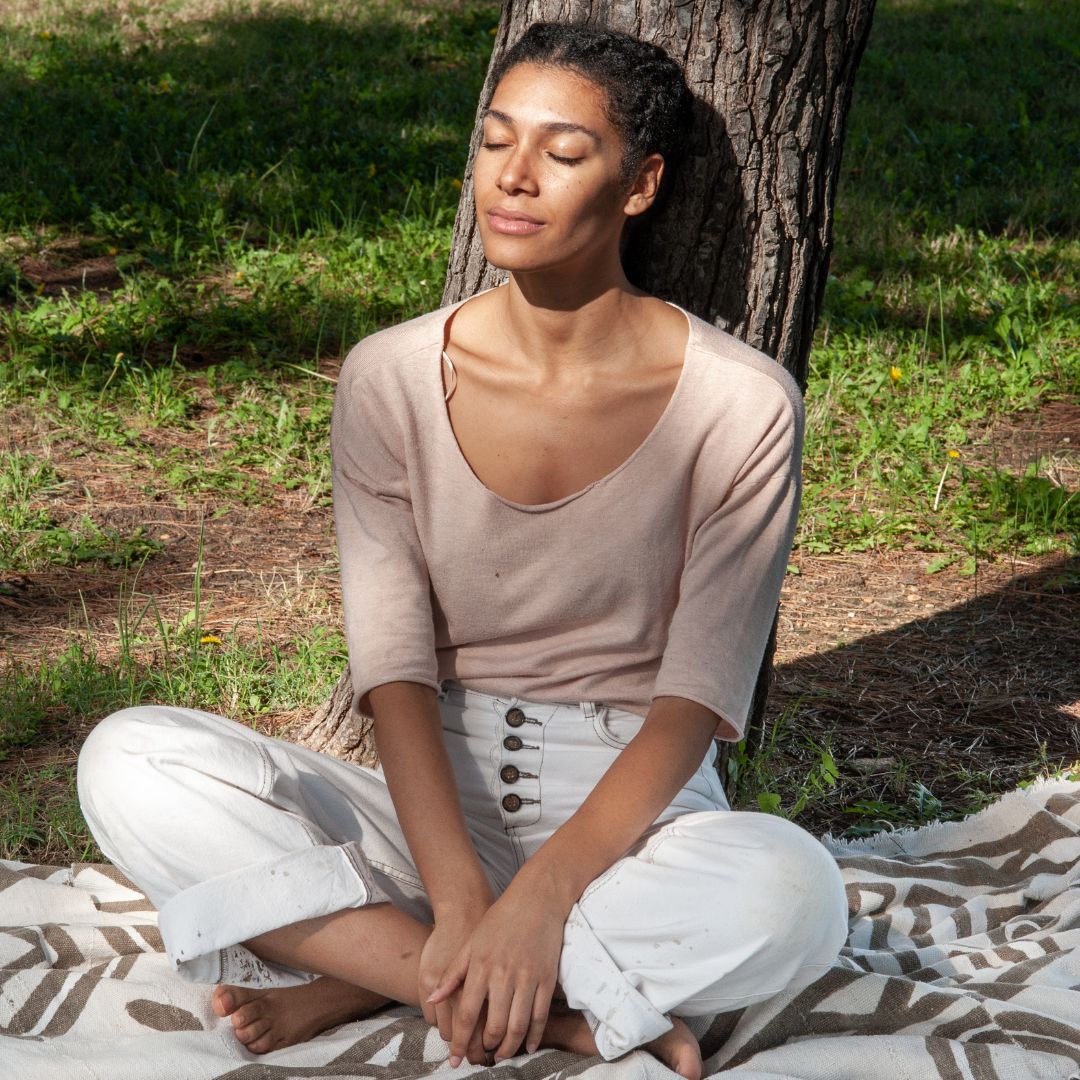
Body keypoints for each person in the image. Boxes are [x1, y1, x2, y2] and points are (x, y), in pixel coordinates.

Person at [76, 22, 848, 1080]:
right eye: (494, 142)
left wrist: (538, 900)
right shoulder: (388, 375)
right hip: (429, 792)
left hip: (634, 819)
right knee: (132, 760)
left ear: (639, 184)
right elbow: (391, 669)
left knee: (794, 893)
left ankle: (375, 975)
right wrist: (464, 898)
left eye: (563, 153)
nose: (514, 178)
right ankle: (546, 1004)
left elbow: (693, 703)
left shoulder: (740, 401)